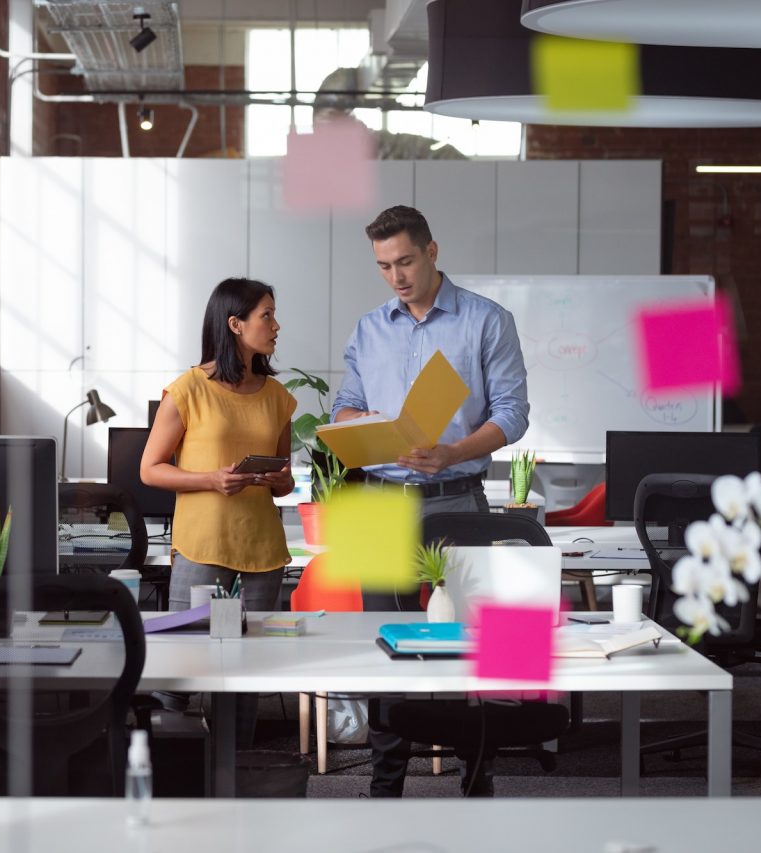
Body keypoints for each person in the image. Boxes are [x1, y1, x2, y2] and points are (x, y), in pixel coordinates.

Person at [331, 204, 529, 797]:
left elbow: (513, 415)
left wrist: (452, 450)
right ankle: (384, 786)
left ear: (432, 251)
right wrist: (358, 425)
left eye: (406, 260)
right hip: (380, 500)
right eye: (384, 265)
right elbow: (344, 404)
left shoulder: (486, 321)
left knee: (476, 642)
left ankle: (477, 778)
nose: (396, 275)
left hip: (456, 494)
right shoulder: (369, 328)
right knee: (384, 641)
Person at [140, 278, 297, 740]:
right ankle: (172, 767)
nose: (276, 325)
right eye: (266, 315)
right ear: (235, 324)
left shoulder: (277, 397)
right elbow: (150, 469)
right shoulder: (188, 388)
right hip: (204, 545)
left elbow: (284, 480)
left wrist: (281, 480)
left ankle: (240, 767)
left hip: (263, 549)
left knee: (247, 671)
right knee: (185, 663)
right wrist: (211, 479)